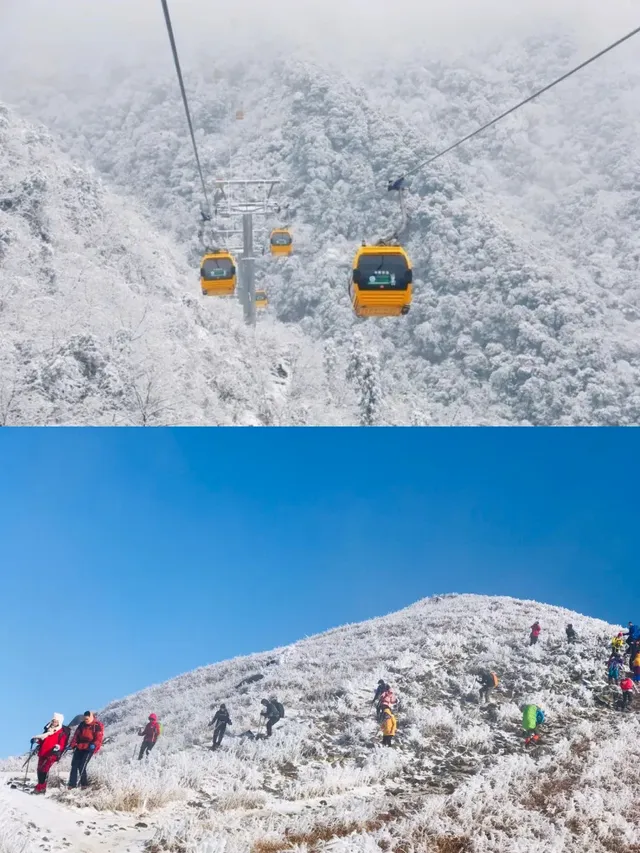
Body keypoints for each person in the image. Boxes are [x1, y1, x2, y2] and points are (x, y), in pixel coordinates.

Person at [30, 713, 70, 794]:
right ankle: (41, 787)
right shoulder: (48, 729)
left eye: (56, 721)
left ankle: (40, 788)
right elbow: (43, 740)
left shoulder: (62, 732)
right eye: (53, 721)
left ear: (59, 722)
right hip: (43, 752)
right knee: (39, 770)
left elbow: (62, 744)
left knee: (44, 770)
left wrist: (57, 748)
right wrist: (36, 740)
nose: (54, 722)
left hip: (52, 754)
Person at [68, 711, 104, 789]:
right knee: (74, 765)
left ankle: (84, 785)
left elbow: (99, 738)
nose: (86, 720)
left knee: (82, 765)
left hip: (89, 747)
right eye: (85, 719)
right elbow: (76, 736)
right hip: (79, 746)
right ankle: (71, 785)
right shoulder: (82, 725)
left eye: (87, 719)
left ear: (90, 718)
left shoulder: (96, 726)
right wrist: (72, 745)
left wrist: (94, 744)